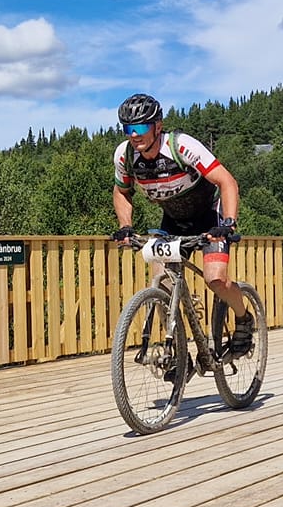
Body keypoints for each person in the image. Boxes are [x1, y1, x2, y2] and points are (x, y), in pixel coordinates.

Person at [109, 92, 256, 356]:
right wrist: (125, 227)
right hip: (173, 221)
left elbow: (227, 182)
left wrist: (229, 223)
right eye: (128, 128)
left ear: (158, 126)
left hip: (211, 216)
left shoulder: (182, 146)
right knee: (161, 281)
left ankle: (244, 319)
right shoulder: (125, 155)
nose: (134, 134)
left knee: (216, 280)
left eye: (141, 127)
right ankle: (177, 351)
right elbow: (121, 192)